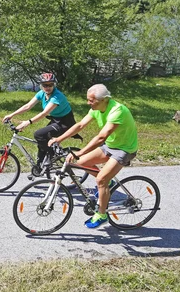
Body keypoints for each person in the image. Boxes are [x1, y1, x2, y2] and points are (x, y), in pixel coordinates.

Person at [48, 84, 138, 229]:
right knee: (81, 162)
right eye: (88, 100)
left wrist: (80, 152)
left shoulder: (117, 111)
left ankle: (102, 215)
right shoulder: (96, 109)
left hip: (124, 149)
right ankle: (108, 185)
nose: (88, 103)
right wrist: (59, 139)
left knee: (100, 178)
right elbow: (80, 125)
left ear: (104, 100)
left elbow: (101, 137)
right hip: (110, 145)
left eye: (91, 100)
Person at [2, 73, 76, 179]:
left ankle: (51, 156)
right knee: (42, 140)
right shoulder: (41, 93)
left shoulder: (57, 96)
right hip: (56, 120)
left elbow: (44, 113)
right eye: (45, 85)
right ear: (41, 85)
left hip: (65, 123)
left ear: (54, 85)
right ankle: (39, 167)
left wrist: (27, 122)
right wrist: (11, 115)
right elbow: (28, 106)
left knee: (38, 134)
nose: (47, 87)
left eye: (50, 85)